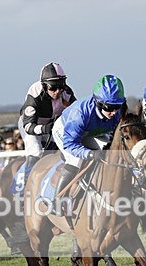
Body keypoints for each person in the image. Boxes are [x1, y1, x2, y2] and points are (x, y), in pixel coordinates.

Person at [51, 74, 126, 216]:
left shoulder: (116, 112)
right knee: (76, 159)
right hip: (66, 131)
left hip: (92, 131)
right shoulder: (80, 114)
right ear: (98, 102)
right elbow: (70, 144)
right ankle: (58, 200)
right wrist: (90, 153)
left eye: (117, 106)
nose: (114, 112)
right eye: (109, 107)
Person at [18, 62, 77, 179]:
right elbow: (28, 126)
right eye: (53, 88)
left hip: (53, 125)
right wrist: (45, 128)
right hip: (32, 124)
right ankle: (26, 183)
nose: (58, 91)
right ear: (44, 86)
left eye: (61, 86)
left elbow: (78, 114)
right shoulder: (34, 94)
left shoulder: (67, 92)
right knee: (36, 151)